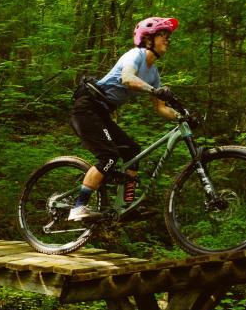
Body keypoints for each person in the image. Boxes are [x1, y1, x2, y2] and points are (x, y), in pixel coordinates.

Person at [66, 16, 181, 221]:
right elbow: (127, 78)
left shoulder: (153, 72)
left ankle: (126, 206)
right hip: (86, 108)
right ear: (148, 39)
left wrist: (182, 117)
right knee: (109, 157)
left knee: (132, 151)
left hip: (101, 113)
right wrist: (154, 90)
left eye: (168, 37)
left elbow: (161, 108)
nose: (167, 40)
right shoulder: (134, 55)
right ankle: (78, 206)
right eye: (163, 35)